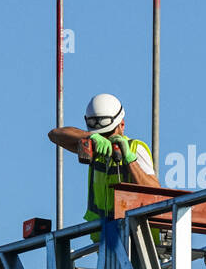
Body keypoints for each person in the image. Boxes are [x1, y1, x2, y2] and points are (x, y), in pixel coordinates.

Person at [48, 93, 160, 232]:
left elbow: (157, 195)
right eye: (101, 135)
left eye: (108, 133)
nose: (105, 139)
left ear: (122, 125)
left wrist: (130, 160)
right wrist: (90, 136)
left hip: (139, 239)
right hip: (106, 240)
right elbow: (55, 135)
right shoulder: (97, 150)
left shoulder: (135, 149)